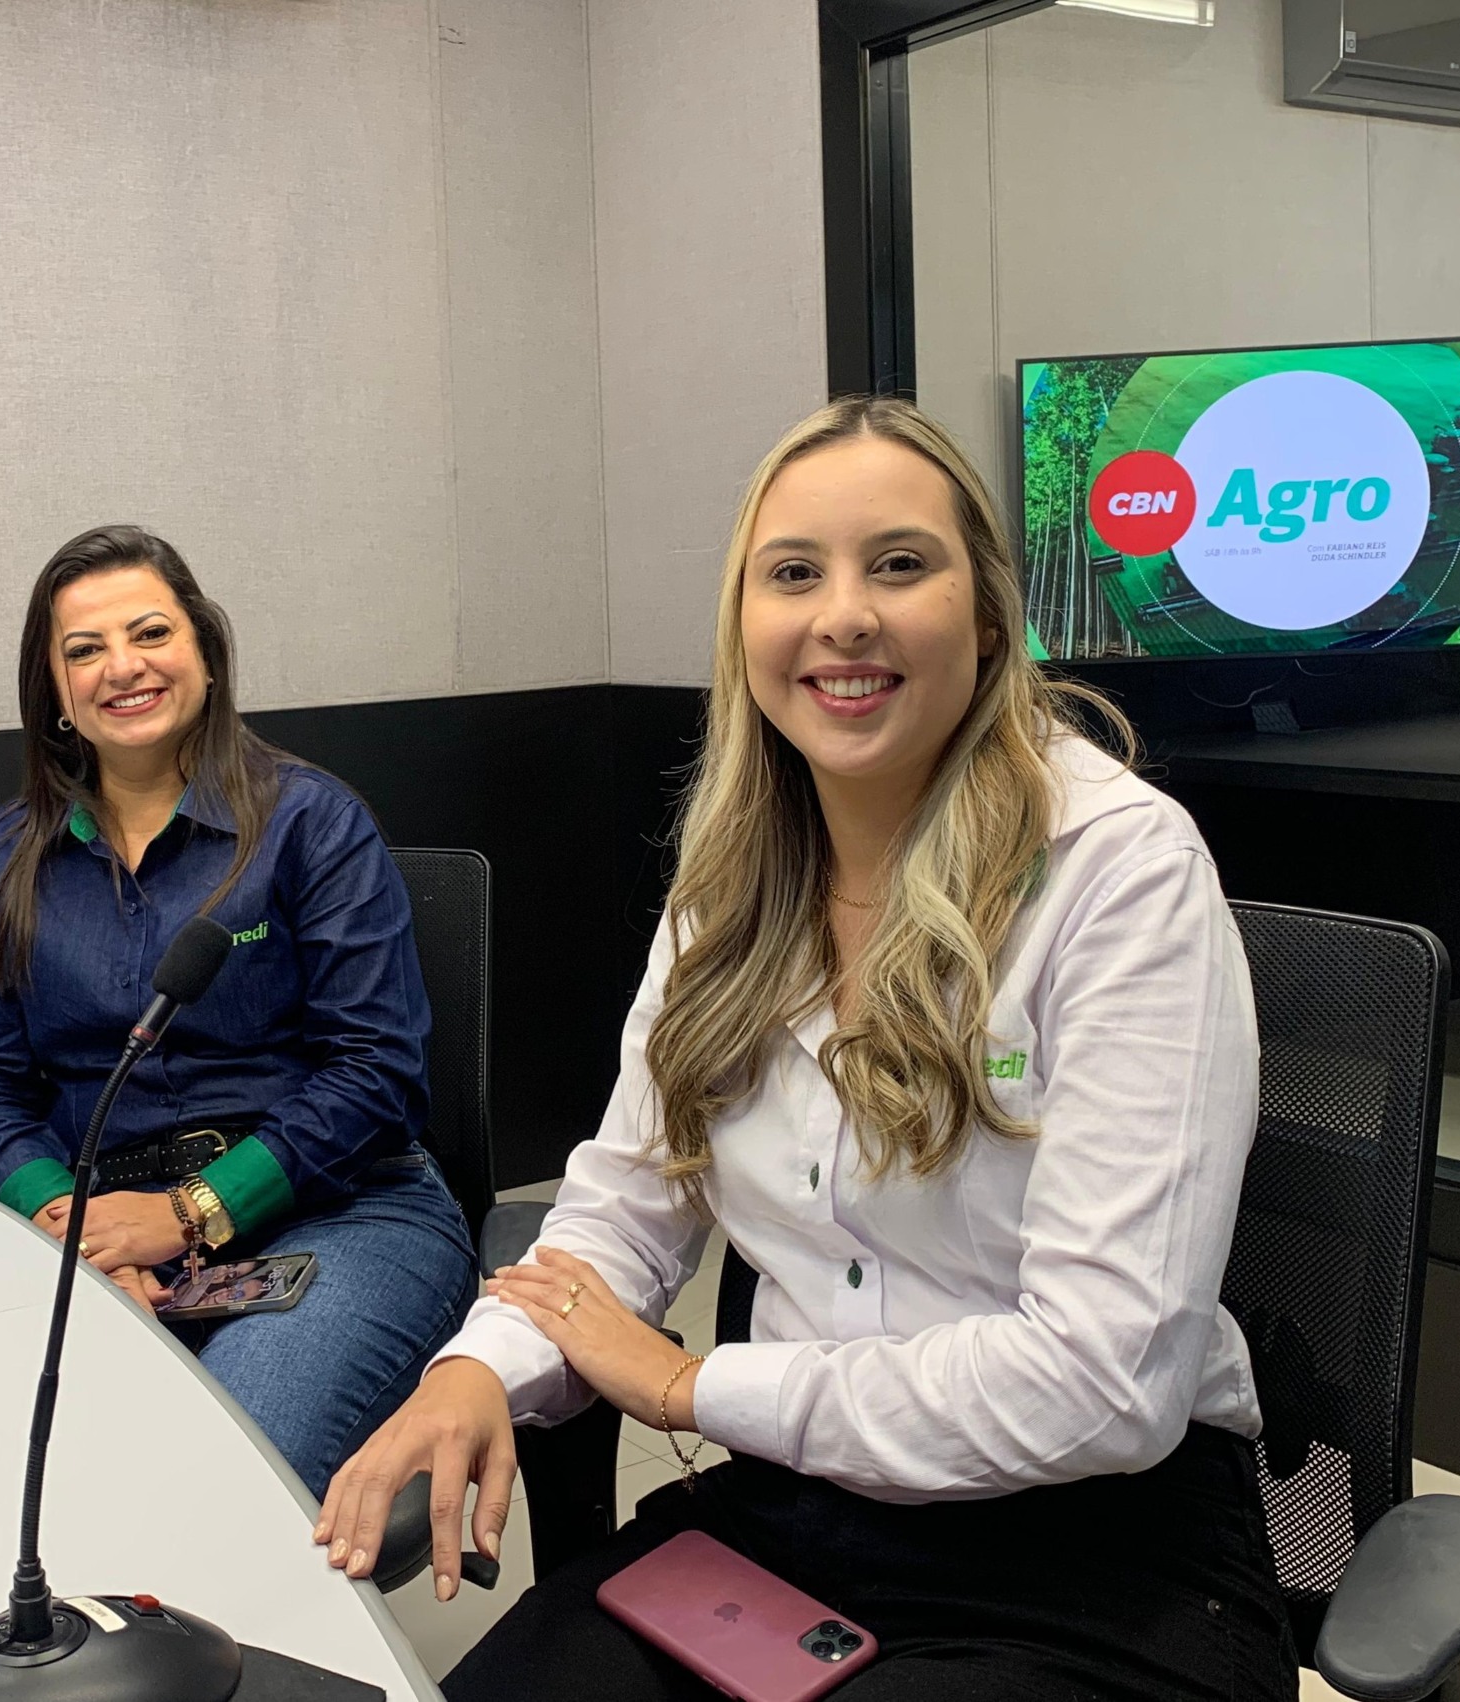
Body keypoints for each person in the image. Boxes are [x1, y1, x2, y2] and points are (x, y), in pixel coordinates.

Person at [317, 398, 1293, 1696]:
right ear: (746, 628)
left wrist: (686, 1387)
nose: (843, 614)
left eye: (900, 563)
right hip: (802, 1515)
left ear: (990, 615)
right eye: (794, 573)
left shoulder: (1118, 870)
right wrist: (473, 1369)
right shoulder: (732, 888)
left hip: (1099, 1549)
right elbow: (623, 1208)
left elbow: (1104, 1381)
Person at [0, 524, 476, 1498]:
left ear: (206, 653)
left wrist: (189, 1214)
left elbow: (377, 1074)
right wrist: (72, 1224)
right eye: (84, 649)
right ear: (53, 692)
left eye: (149, 633)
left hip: (338, 1212)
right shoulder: (5, 856)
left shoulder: (312, 822)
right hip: (99, 1226)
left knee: (216, 1477)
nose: (122, 667)